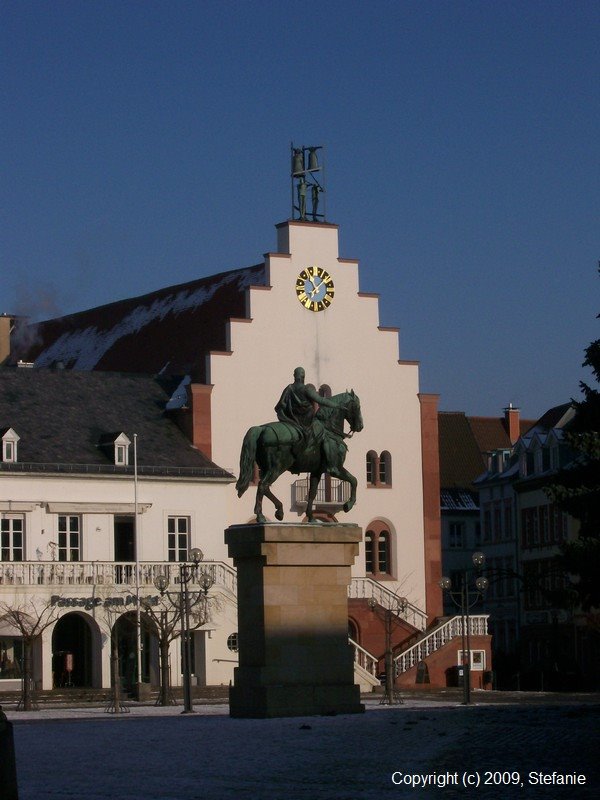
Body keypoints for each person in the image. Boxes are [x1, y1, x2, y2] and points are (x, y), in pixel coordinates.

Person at [275, 367, 337, 457]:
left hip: (291, 418)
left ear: (294, 376)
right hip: (305, 421)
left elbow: (280, 404)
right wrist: (336, 405)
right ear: (303, 376)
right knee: (321, 431)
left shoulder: (289, 388)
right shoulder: (306, 389)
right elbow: (320, 400)